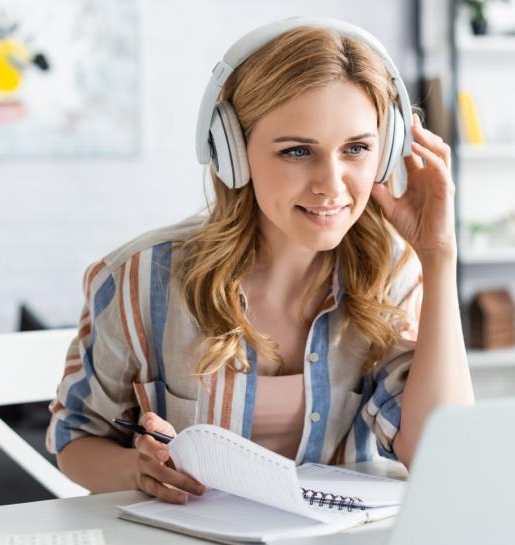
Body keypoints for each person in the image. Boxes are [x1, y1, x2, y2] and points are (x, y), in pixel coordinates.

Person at [46, 18, 474, 505]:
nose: (332, 185)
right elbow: (74, 440)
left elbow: (442, 458)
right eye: (297, 151)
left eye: (356, 149)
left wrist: (439, 258)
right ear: (232, 152)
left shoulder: (393, 273)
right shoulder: (142, 279)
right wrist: (138, 471)